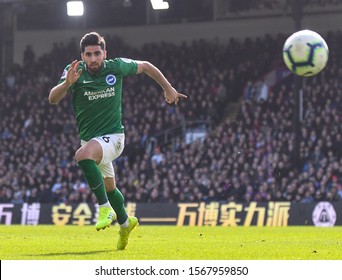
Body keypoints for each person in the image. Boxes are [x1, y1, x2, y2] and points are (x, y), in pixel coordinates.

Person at [49, 31, 187, 250]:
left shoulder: (116, 66)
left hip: (114, 138)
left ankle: (104, 208)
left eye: (97, 53)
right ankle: (125, 223)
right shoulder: (73, 72)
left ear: (105, 53)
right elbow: (53, 99)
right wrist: (67, 84)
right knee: (110, 188)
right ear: (82, 56)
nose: (93, 58)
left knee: (82, 155)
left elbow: (146, 66)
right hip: (92, 141)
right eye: (88, 54)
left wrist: (168, 88)